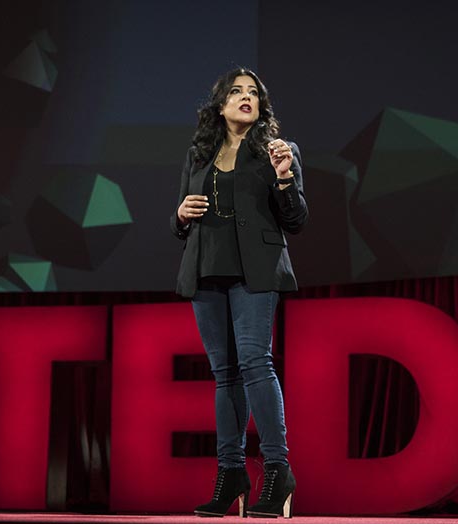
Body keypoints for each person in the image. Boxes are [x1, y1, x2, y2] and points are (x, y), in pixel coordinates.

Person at [170, 67, 308, 518]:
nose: (245, 97)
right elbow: (178, 224)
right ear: (220, 104)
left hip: (255, 272)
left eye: (253, 93)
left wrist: (285, 178)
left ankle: (277, 470)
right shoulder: (199, 153)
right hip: (206, 270)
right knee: (223, 374)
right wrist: (182, 215)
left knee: (254, 363)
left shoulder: (276, 152)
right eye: (236, 91)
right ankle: (230, 473)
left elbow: (296, 220)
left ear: (260, 107)